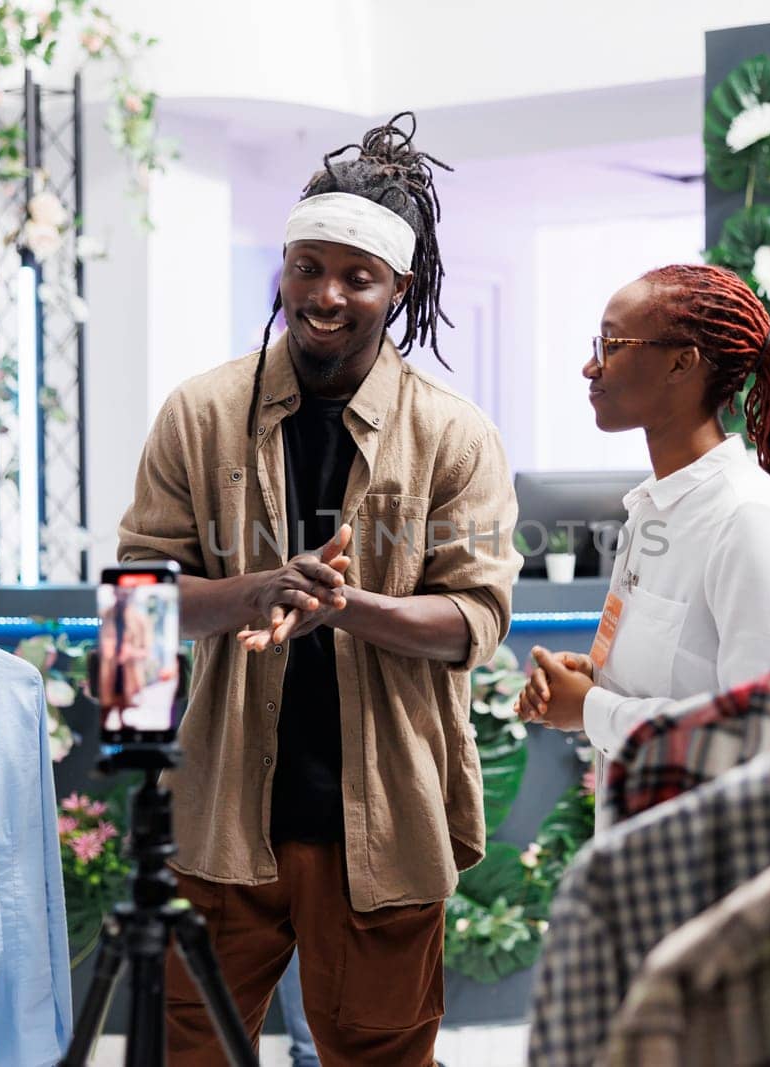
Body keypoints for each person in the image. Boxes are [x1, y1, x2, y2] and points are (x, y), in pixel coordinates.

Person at [117, 112, 519, 1066]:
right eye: (308, 267)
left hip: (383, 825)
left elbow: (476, 622)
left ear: (398, 288)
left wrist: (349, 607)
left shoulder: (452, 435)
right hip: (219, 812)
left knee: (380, 1052)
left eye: (357, 275)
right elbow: (137, 606)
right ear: (283, 265)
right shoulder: (199, 412)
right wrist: (256, 593)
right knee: (190, 1050)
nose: (325, 294)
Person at [517, 264, 770, 773]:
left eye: (611, 345)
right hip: (638, 836)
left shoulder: (747, 519)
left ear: (682, 364)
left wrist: (593, 709)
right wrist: (594, 677)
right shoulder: (652, 508)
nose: (590, 368)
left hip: (711, 846)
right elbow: (685, 676)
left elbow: (769, 731)